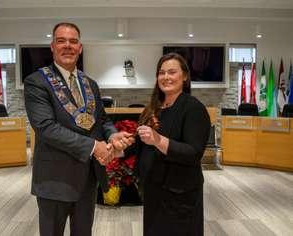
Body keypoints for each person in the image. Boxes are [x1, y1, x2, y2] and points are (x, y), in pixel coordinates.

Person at [24, 22, 134, 236]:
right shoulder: (36, 82)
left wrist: (113, 134)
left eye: (73, 41)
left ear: (80, 47)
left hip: (87, 179)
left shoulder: (90, 83)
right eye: (61, 41)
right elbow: (46, 128)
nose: (68, 46)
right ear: (52, 46)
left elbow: (101, 119)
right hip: (54, 179)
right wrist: (94, 146)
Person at [136, 53, 210, 236]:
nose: (166, 77)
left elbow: (193, 153)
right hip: (154, 191)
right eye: (161, 73)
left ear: (184, 76)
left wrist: (158, 140)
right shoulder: (153, 108)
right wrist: (118, 147)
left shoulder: (193, 108)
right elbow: (141, 145)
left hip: (180, 197)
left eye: (172, 72)